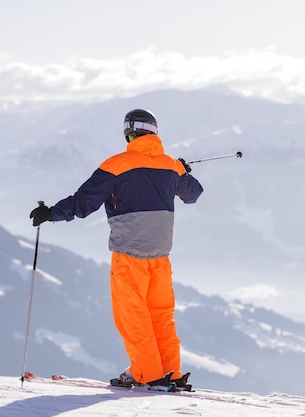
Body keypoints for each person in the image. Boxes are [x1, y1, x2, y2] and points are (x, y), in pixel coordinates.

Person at [30, 108, 203, 390]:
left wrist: (50, 213)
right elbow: (193, 194)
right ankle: (170, 372)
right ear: (154, 133)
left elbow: (83, 202)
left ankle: (148, 374)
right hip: (161, 256)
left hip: (130, 254)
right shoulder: (171, 165)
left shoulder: (117, 165)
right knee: (161, 314)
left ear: (129, 133)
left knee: (133, 313)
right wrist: (182, 170)